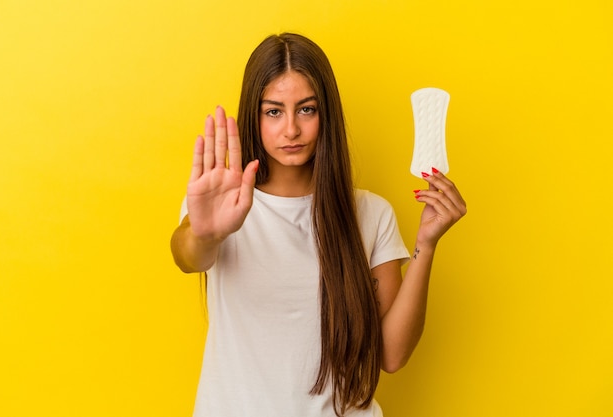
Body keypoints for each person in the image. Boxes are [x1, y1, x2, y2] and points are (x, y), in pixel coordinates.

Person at [170, 32, 466, 417]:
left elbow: (391, 355)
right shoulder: (225, 208)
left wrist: (427, 243)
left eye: (306, 109)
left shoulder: (371, 214)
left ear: (325, 114)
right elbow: (187, 255)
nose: (291, 129)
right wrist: (206, 232)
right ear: (253, 115)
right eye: (273, 111)